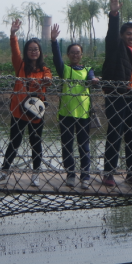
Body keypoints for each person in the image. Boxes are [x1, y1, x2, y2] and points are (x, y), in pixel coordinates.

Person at [0, 19, 52, 187]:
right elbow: (15, 51)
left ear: (40, 52)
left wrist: (47, 79)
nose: (33, 52)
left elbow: (49, 80)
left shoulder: (44, 70)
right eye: (30, 49)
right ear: (26, 51)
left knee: (36, 143)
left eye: (36, 49)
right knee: (14, 142)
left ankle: (36, 174)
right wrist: (13, 34)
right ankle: (4, 172)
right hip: (19, 111)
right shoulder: (21, 66)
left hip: (36, 112)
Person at [100, 0, 132, 188]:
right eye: (128, 34)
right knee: (115, 135)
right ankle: (109, 173)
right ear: (121, 36)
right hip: (118, 97)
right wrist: (114, 14)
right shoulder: (116, 48)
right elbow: (112, 34)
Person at [50, 24, 98, 189]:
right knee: (67, 146)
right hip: (66, 114)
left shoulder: (88, 70)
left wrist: (94, 80)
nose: (75, 55)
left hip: (84, 114)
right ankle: (70, 174)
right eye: (72, 52)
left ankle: (85, 177)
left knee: (84, 147)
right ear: (68, 55)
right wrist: (54, 41)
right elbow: (56, 59)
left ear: (81, 55)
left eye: (78, 52)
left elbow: (91, 78)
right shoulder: (65, 70)